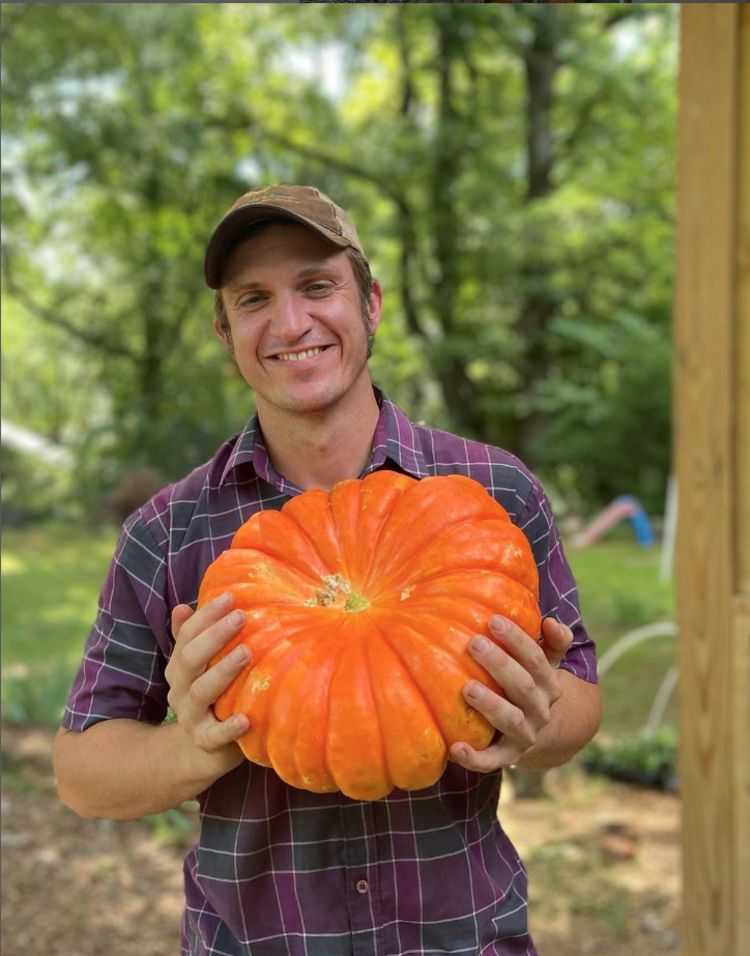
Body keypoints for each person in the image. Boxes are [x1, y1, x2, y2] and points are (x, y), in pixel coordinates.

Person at [53, 184, 601, 956]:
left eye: (317, 285)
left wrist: (536, 715)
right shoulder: (169, 532)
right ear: (226, 331)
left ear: (370, 303)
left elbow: (581, 696)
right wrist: (192, 747)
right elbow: (81, 771)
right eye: (253, 299)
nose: (290, 323)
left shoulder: (492, 491)